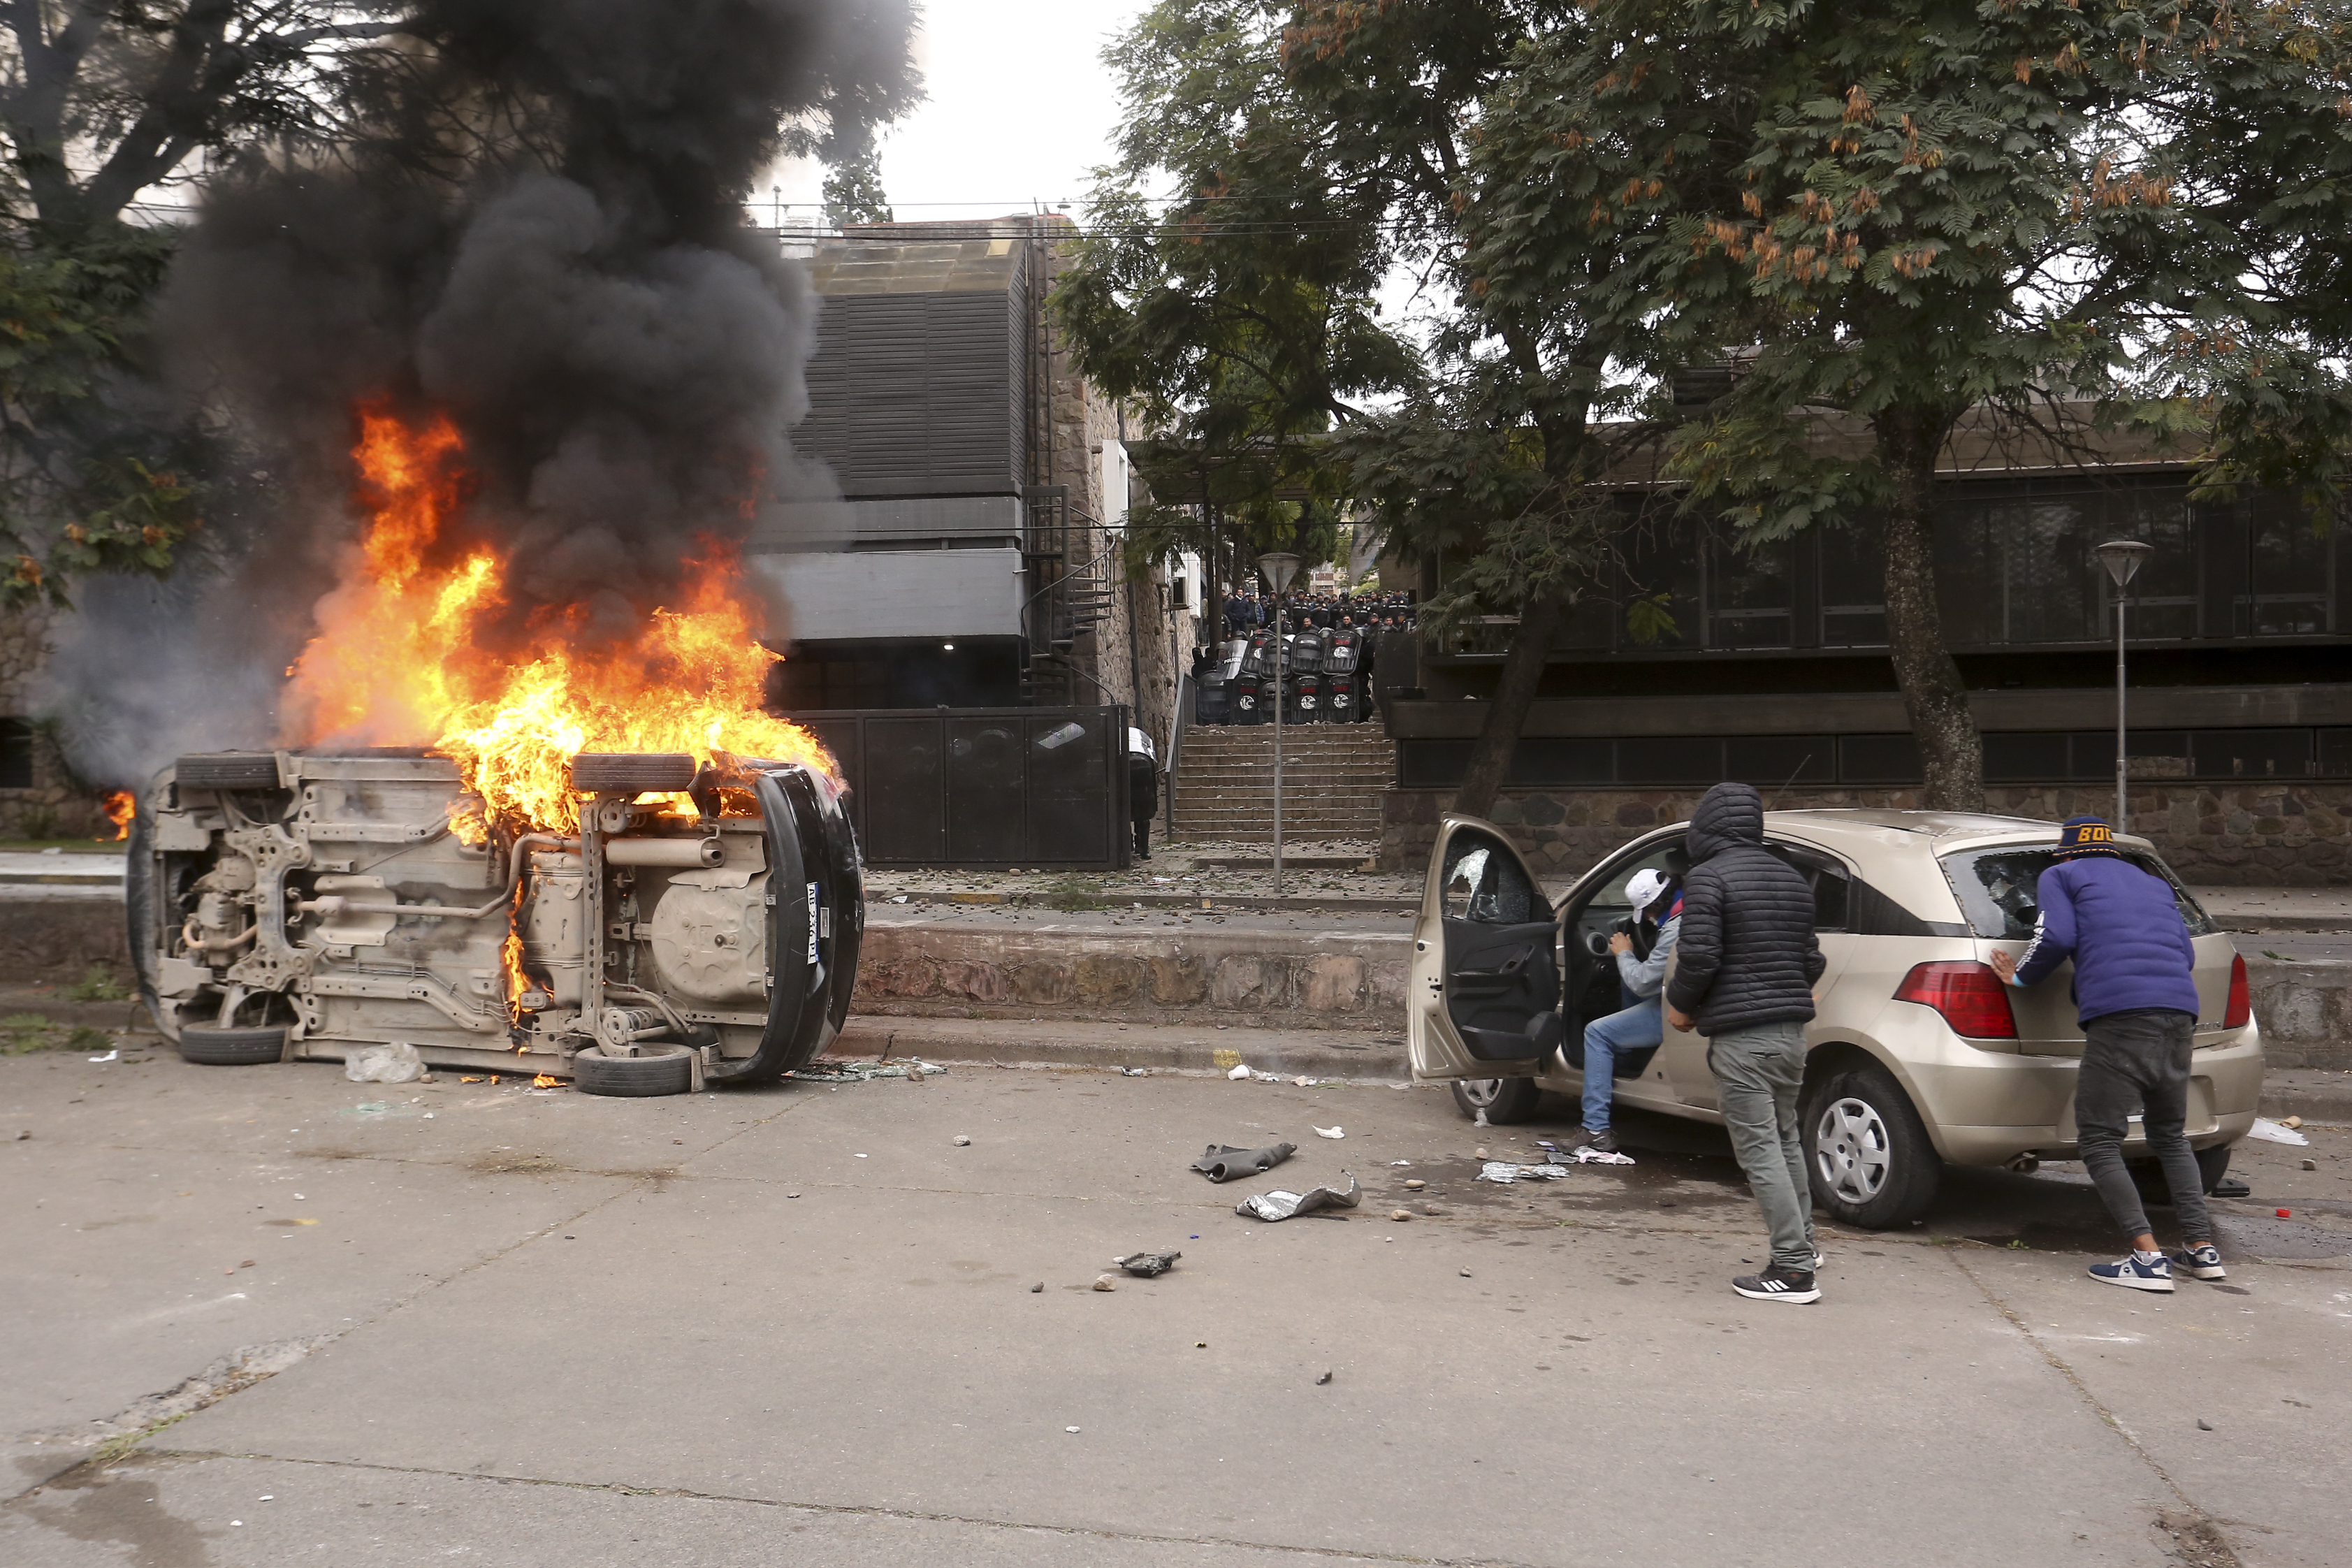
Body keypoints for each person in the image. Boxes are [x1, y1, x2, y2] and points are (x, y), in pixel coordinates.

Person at [1990, 816, 2221, 1292]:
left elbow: (2054, 938)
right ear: (2111, 850)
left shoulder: (2062, 875)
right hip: (2179, 1013)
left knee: (2097, 1138)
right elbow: (2187, 953)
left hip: (2121, 1017)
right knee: (2170, 1136)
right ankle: (2202, 1250)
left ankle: (2147, 1258)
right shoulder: (2151, 882)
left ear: (2069, 852)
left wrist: (2019, 978)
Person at [1664, 782, 1827, 1304]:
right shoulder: (1792, 877)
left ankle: (1794, 1270)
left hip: (1743, 1040)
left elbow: (1700, 957)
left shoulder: (1709, 877)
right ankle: (1806, 1243)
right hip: (1790, 1038)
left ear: (1705, 826)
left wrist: (1682, 1005)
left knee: (1760, 1151)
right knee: (1784, 1140)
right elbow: (1812, 961)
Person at [1576, 869, 1681, 1154]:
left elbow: (1644, 982)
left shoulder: (1676, 928)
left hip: (1680, 1009)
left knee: (1596, 1032)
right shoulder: (1694, 909)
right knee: (1627, 986)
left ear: (1656, 905)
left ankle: (1595, 1129)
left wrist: (1624, 952)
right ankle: (1623, 1057)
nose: (1647, 918)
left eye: (1646, 912)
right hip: (1685, 997)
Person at [1126, 729, 1160, 859]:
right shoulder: (1145, 756)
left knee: (1124, 817)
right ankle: (1143, 848)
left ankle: (1128, 845)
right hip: (1145, 790)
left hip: (1127, 789)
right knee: (1143, 818)